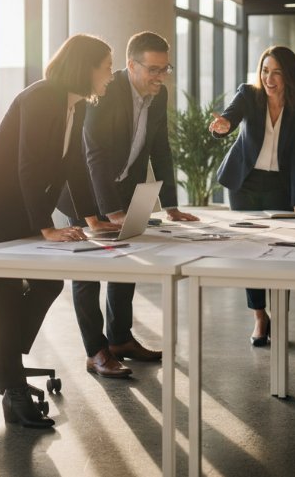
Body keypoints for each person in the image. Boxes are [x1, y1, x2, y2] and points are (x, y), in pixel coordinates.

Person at [0, 34, 114, 428]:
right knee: (7, 288)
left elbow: (75, 168)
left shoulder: (72, 105)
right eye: (107, 66)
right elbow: (27, 166)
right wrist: (45, 226)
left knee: (47, 282)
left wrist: (92, 218)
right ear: (86, 67)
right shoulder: (42, 98)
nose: (111, 75)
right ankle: (14, 393)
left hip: (16, 204)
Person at [68, 31, 198, 373]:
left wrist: (170, 204)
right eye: (153, 69)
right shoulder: (105, 92)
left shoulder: (159, 95)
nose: (160, 76)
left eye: (164, 68)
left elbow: (161, 149)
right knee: (88, 271)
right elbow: (92, 153)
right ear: (131, 65)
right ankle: (96, 352)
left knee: (126, 264)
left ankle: (120, 338)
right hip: (87, 191)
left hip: (126, 189)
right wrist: (109, 209)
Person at [209, 45, 295, 345]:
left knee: (279, 251)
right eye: (265, 70)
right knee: (249, 251)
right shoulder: (249, 94)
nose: (269, 78)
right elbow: (230, 118)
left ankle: (280, 316)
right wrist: (223, 127)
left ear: (289, 76)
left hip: (278, 185)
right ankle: (259, 316)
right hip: (244, 183)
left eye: (277, 72)